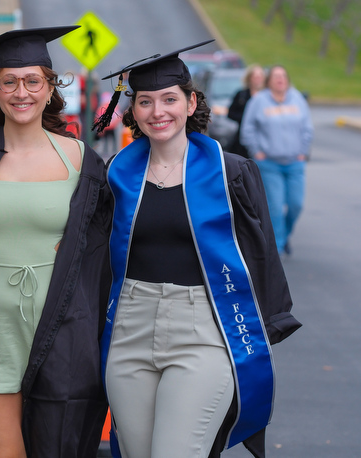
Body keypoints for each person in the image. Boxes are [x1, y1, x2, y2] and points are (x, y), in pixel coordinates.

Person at [95, 41, 302, 458]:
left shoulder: (232, 173)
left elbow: (260, 252)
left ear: (191, 103)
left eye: (170, 99)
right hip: (128, 331)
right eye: (146, 102)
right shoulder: (115, 175)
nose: (158, 112)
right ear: (133, 111)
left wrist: (270, 320)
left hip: (204, 331)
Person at [0, 26, 112, 458]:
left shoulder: (78, 160)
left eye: (33, 81)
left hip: (59, 330)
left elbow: (100, 251)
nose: (22, 92)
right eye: (9, 82)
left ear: (50, 87)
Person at [240, 64, 313, 255]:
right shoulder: (259, 101)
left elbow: (307, 128)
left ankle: (284, 235)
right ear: (268, 81)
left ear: (287, 80)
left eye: (283, 76)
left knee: (296, 205)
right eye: (276, 76)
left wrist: (302, 151)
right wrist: (257, 151)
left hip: (295, 163)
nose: (280, 79)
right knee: (276, 208)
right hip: (269, 164)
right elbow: (247, 129)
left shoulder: (297, 99)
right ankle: (277, 249)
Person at [226, 64, 266, 158]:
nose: (258, 79)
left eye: (260, 76)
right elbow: (230, 113)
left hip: (263, 138)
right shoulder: (241, 95)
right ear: (249, 78)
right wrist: (245, 118)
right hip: (242, 137)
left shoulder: (268, 97)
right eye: (255, 76)